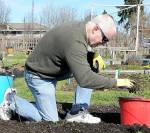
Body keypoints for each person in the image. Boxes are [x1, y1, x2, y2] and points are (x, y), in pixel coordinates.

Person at [0, 14, 134, 124]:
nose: (103, 43)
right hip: (38, 75)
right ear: (95, 29)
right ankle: (11, 101)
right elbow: (85, 79)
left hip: (53, 70)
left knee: (91, 65)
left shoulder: (80, 29)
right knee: (49, 121)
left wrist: (91, 56)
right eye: (104, 39)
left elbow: (69, 52)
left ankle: (77, 112)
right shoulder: (75, 39)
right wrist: (117, 82)